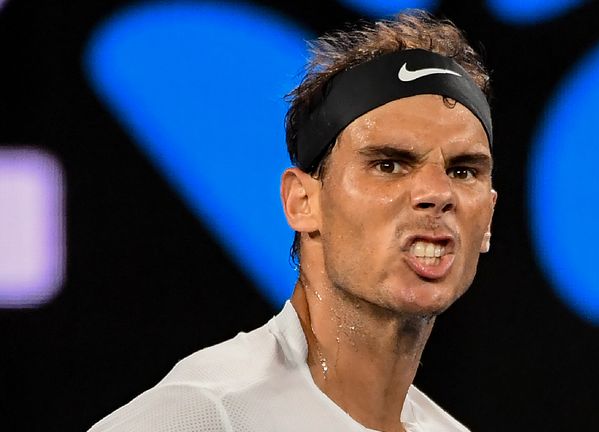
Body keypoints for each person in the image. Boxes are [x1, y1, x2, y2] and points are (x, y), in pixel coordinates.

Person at [90, 9, 496, 432]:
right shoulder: (207, 413)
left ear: (488, 216)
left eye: (463, 171)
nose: (436, 194)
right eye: (389, 164)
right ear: (303, 201)